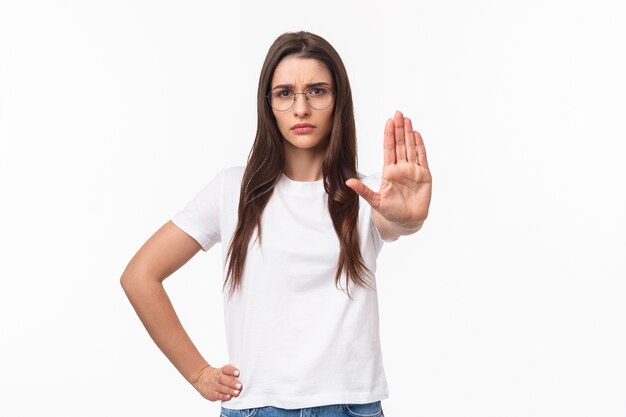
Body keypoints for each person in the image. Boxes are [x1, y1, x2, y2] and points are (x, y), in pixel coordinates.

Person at [120, 31, 432, 417]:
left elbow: (394, 222)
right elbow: (140, 276)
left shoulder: (365, 193)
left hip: (351, 407)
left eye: (317, 91)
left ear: (338, 100)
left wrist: (408, 220)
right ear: (268, 105)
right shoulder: (232, 190)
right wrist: (198, 373)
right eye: (285, 93)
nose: (301, 108)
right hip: (257, 408)